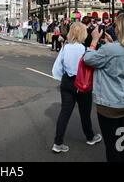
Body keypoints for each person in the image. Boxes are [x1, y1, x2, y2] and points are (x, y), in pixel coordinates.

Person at [84, 13, 124, 162]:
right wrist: (112, 42)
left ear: (121, 28)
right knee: (123, 142)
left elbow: (88, 59)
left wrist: (95, 40)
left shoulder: (110, 50)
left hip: (109, 105)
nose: (113, 28)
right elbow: (120, 51)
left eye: (116, 25)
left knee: (111, 146)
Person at [51, 22, 102, 154]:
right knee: (85, 113)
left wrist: (61, 77)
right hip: (82, 83)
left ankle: (58, 142)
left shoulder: (65, 47)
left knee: (65, 113)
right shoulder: (85, 49)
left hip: (67, 82)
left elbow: (58, 67)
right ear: (83, 34)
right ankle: (90, 137)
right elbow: (93, 65)